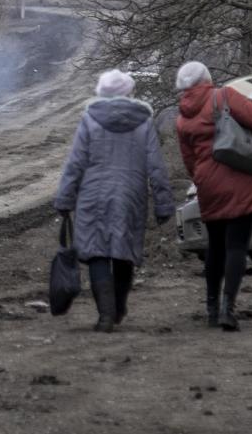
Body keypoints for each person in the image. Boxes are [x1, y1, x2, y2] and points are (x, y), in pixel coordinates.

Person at [54, 69, 174, 332]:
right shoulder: (144, 122)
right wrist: (164, 203)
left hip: (93, 196)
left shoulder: (90, 120)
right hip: (131, 197)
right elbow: (156, 165)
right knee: (124, 253)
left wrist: (65, 198)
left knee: (97, 254)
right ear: (129, 92)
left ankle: (105, 316)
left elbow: (75, 163)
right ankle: (118, 307)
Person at [174, 62, 252, 331]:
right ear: (206, 78)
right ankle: (228, 310)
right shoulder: (223, 97)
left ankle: (210, 309)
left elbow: (189, 160)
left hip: (209, 185)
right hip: (240, 177)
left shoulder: (182, 118)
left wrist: (204, 180)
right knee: (236, 246)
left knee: (215, 247)